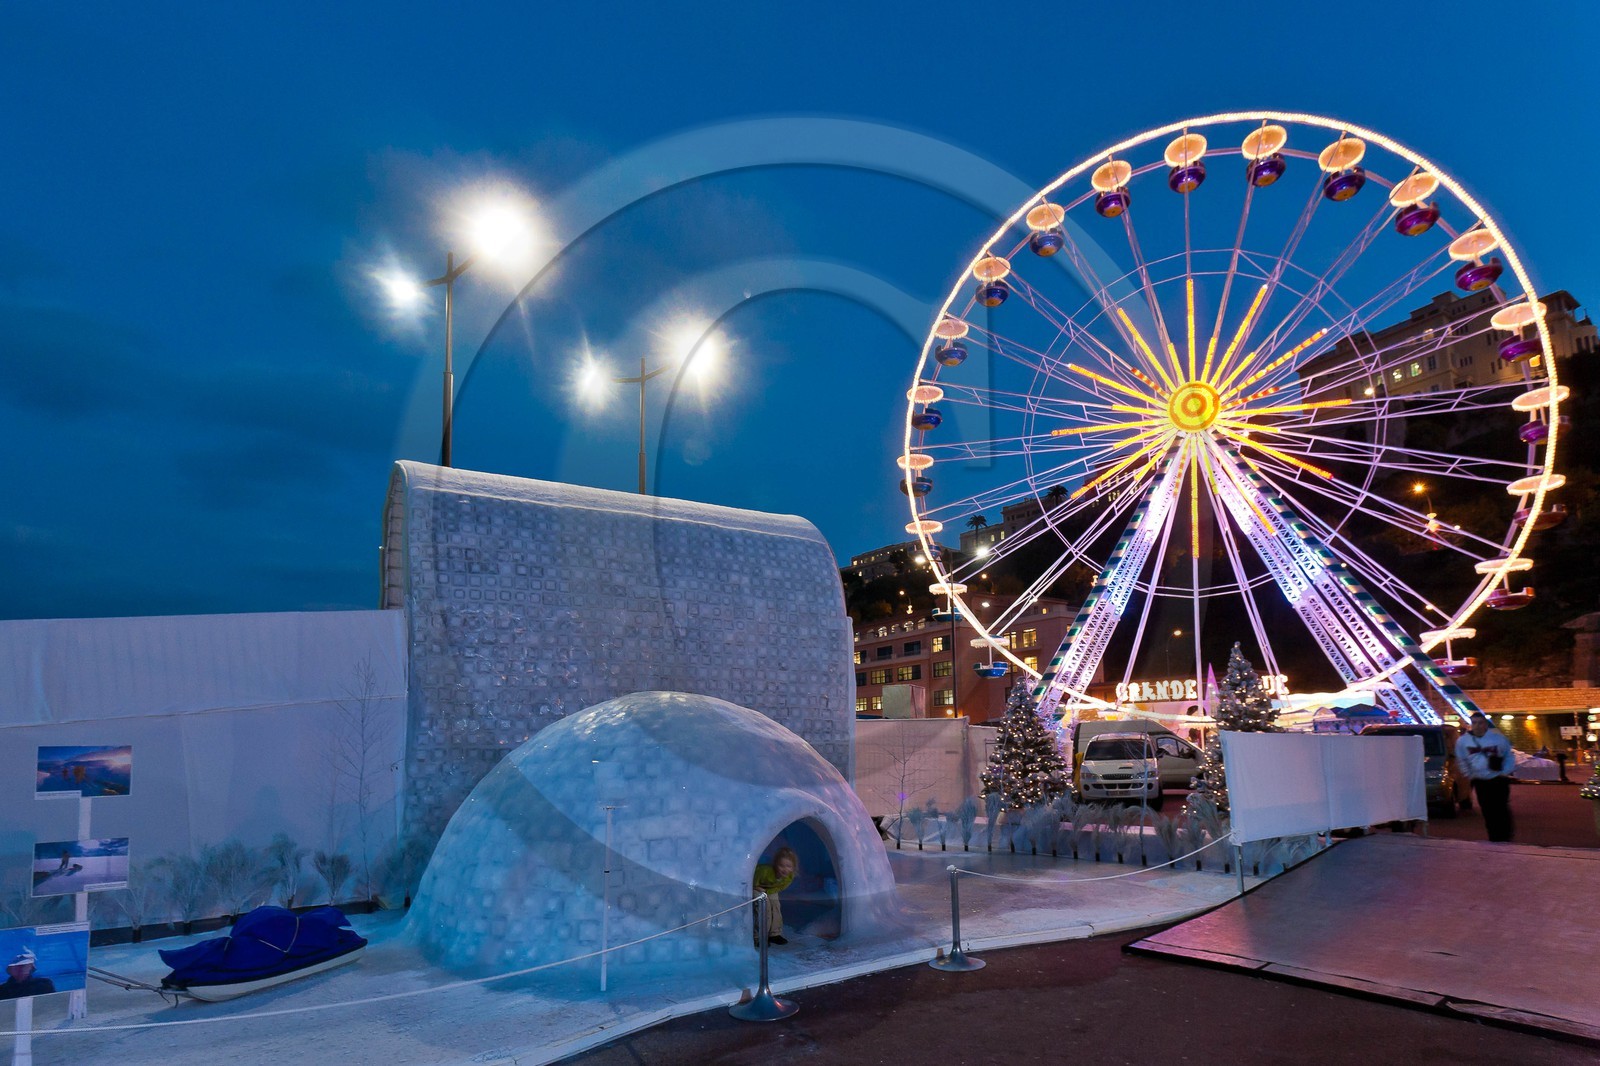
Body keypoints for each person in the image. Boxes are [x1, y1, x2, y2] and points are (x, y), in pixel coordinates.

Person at [1455, 712, 1516, 842]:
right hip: (1480, 780)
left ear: (1485, 724)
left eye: (1480, 723)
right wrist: (1469, 775)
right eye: (1474, 723)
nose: (1477, 726)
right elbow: (1461, 760)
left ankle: (1505, 836)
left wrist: (1505, 772)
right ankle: (1494, 837)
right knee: (1487, 809)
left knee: (1500, 808)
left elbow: (1509, 756)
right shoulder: (1463, 741)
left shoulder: (1498, 739)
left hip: (1498, 779)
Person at [752, 847, 798, 946]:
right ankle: (759, 937)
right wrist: (758, 888)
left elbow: (780, 887)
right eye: (781, 865)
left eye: (788, 866)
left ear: (793, 867)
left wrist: (767, 891)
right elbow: (752, 879)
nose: (785, 869)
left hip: (769, 889)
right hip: (756, 886)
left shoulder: (789, 876)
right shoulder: (765, 871)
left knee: (775, 905)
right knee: (764, 907)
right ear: (775, 865)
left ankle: (774, 934)